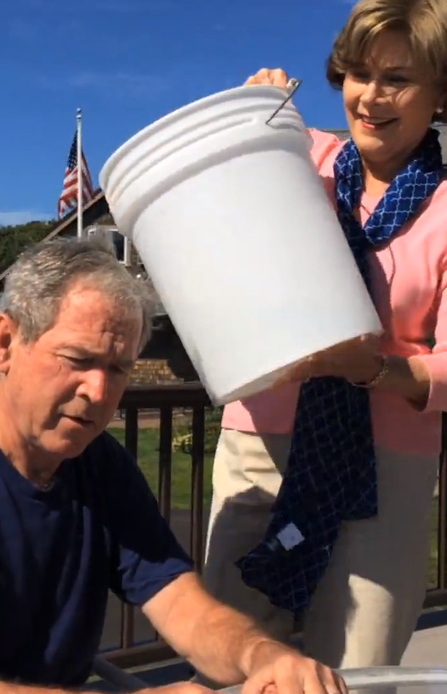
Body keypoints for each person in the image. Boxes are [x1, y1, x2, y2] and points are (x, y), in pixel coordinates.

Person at [0, 238, 343, 694]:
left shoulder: (100, 466)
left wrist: (263, 655)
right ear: (5, 345)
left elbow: (183, 607)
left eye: (118, 368)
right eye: (77, 359)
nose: (100, 393)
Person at [203, 0, 447, 675]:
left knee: (357, 674)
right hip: (261, 443)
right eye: (359, 73)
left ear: (441, 93)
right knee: (234, 659)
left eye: (398, 79)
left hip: (383, 474)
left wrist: (371, 368)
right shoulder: (291, 150)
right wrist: (246, 121)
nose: (371, 96)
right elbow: (210, 225)